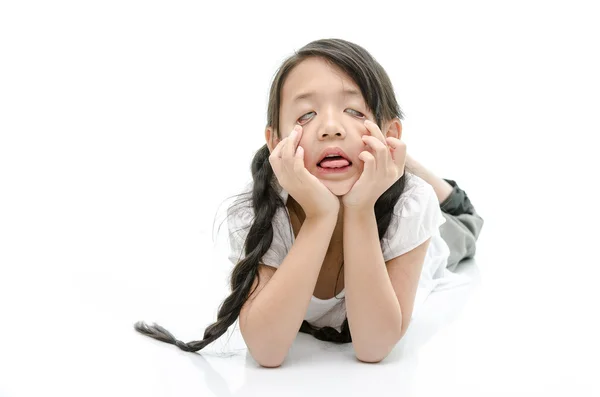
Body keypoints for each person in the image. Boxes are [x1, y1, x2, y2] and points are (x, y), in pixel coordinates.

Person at [134, 38, 484, 366]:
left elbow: (374, 347)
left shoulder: (410, 204)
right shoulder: (257, 213)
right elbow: (267, 352)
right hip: (344, 181)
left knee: (465, 219)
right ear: (275, 143)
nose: (330, 126)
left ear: (389, 133)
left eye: (355, 111)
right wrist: (320, 216)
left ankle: (403, 163)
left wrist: (361, 208)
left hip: (430, 225)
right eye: (306, 116)